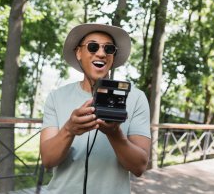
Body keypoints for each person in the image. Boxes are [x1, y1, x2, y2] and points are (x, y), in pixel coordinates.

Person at [40, 23, 151, 194]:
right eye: (92, 47)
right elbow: (47, 160)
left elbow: (139, 166)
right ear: (78, 52)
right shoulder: (56, 97)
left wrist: (115, 134)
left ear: (113, 57)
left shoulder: (136, 98)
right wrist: (69, 130)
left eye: (109, 49)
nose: (101, 53)